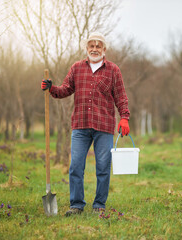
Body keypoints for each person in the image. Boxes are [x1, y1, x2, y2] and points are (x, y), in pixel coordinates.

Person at [41, 32, 130, 216]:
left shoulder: (113, 70)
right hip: (80, 125)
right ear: (86, 48)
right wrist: (52, 88)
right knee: (75, 166)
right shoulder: (76, 68)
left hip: (104, 126)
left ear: (104, 50)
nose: (95, 49)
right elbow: (66, 89)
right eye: (91, 46)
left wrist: (124, 117)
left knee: (103, 167)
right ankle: (77, 205)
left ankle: (99, 205)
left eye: (99, 46)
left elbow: (121, 97)